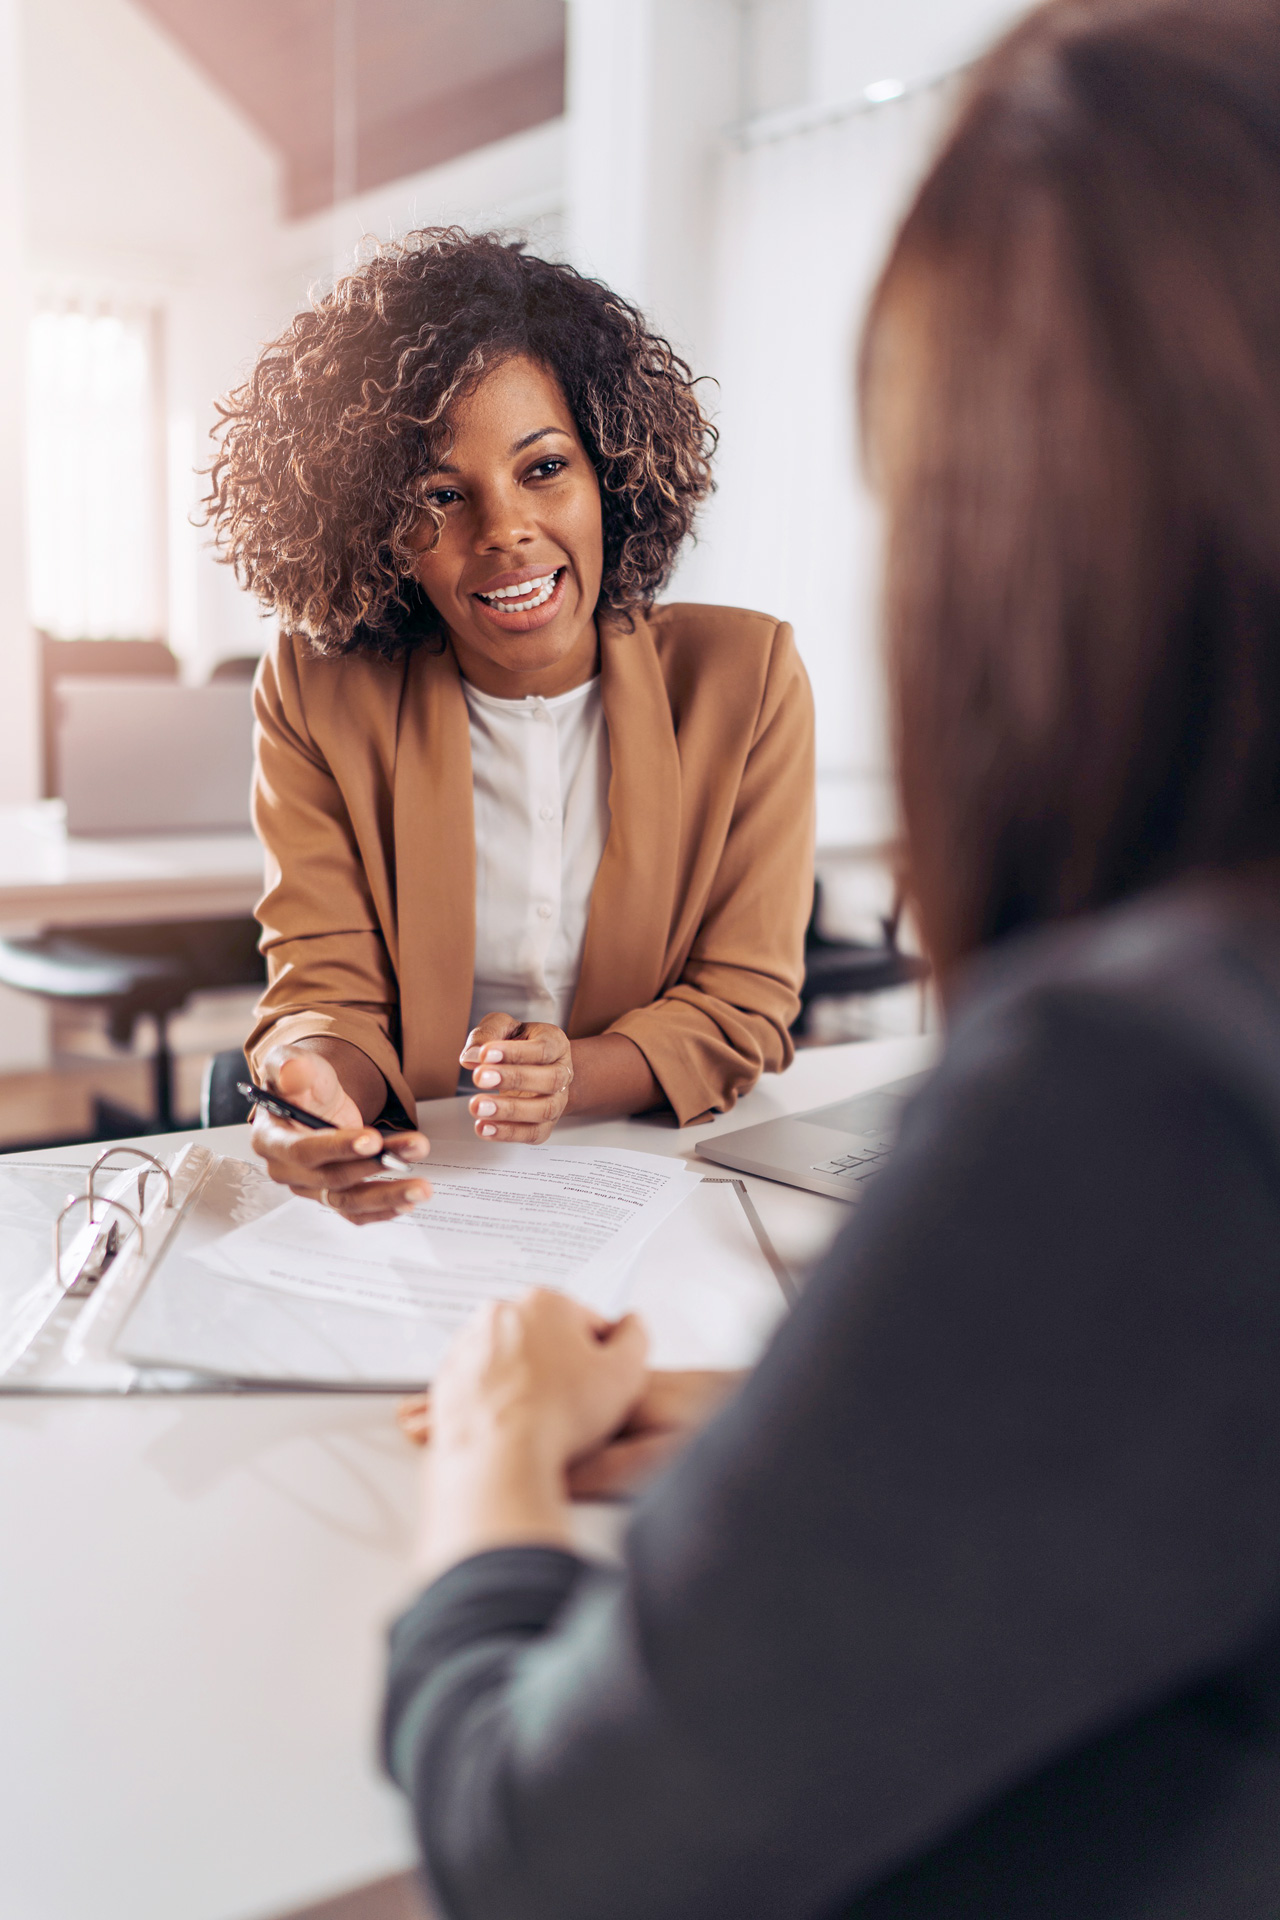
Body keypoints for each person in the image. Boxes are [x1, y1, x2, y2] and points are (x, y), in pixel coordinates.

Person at [381, 1, 1280, 1913]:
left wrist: (499, 1451)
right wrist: (823, 1429)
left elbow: (554, 1857)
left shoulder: (1139, 1092)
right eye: (445, 493)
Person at [205, 232, 814, 1224]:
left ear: (610, 472)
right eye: (440, 496)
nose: (504, 531)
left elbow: (742, 1002)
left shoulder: (744, 679)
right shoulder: (318, 687)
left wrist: (574, 1076)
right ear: (375, 527)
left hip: (656, 1175)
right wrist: (310, 1088)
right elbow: (326, 987)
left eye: (544, 467)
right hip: (420, 1184)